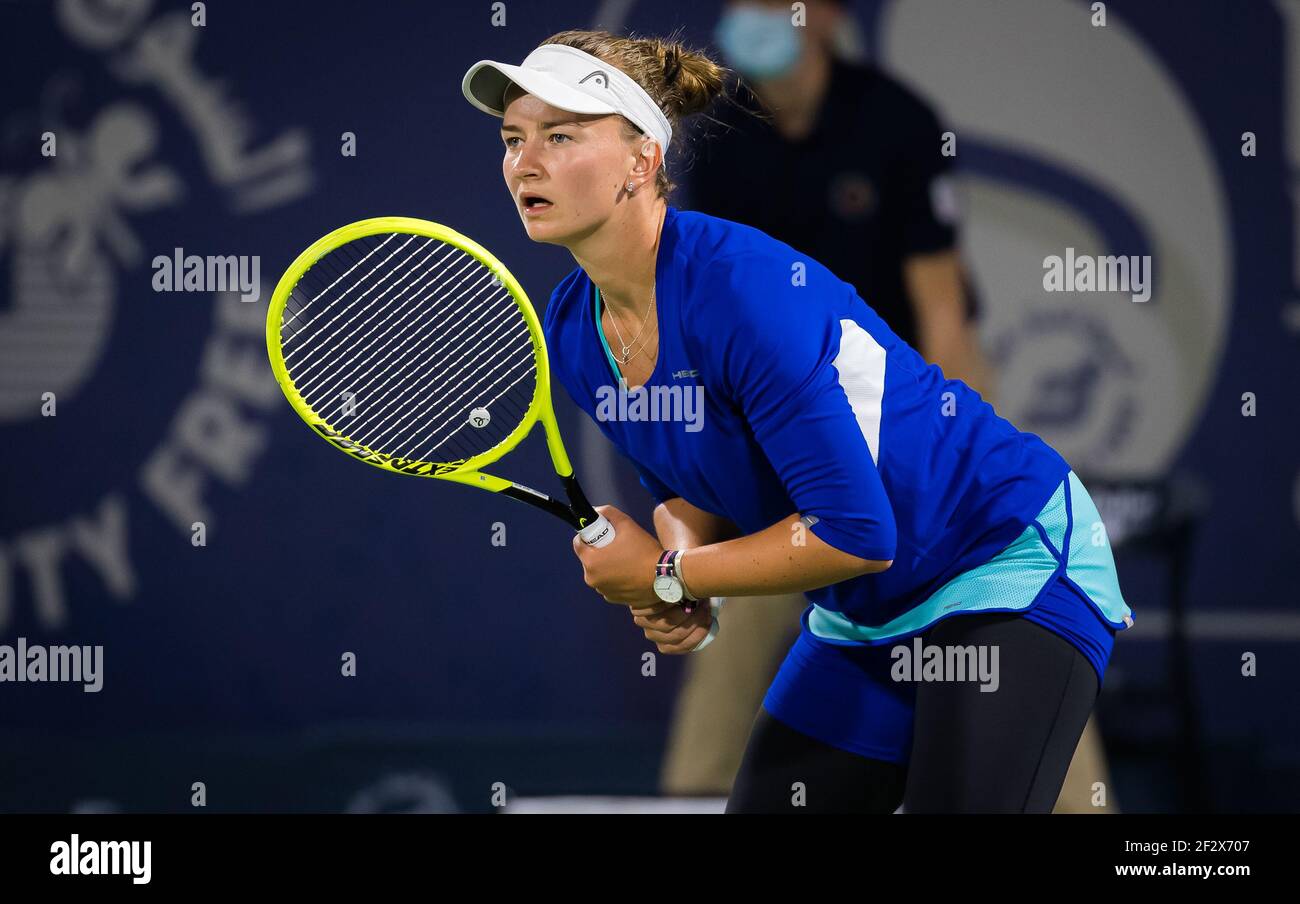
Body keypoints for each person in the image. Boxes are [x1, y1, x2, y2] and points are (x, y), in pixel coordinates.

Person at [461, 28, 1134, 812]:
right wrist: (681, 570)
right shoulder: (576, 331)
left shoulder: (742, 294)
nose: (524, 162)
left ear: (642, 160)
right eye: (513, 139)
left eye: (561, 135)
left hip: (1001, 561)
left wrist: (669, 574)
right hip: (867, 616)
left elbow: (857, 534)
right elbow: (693, 488)